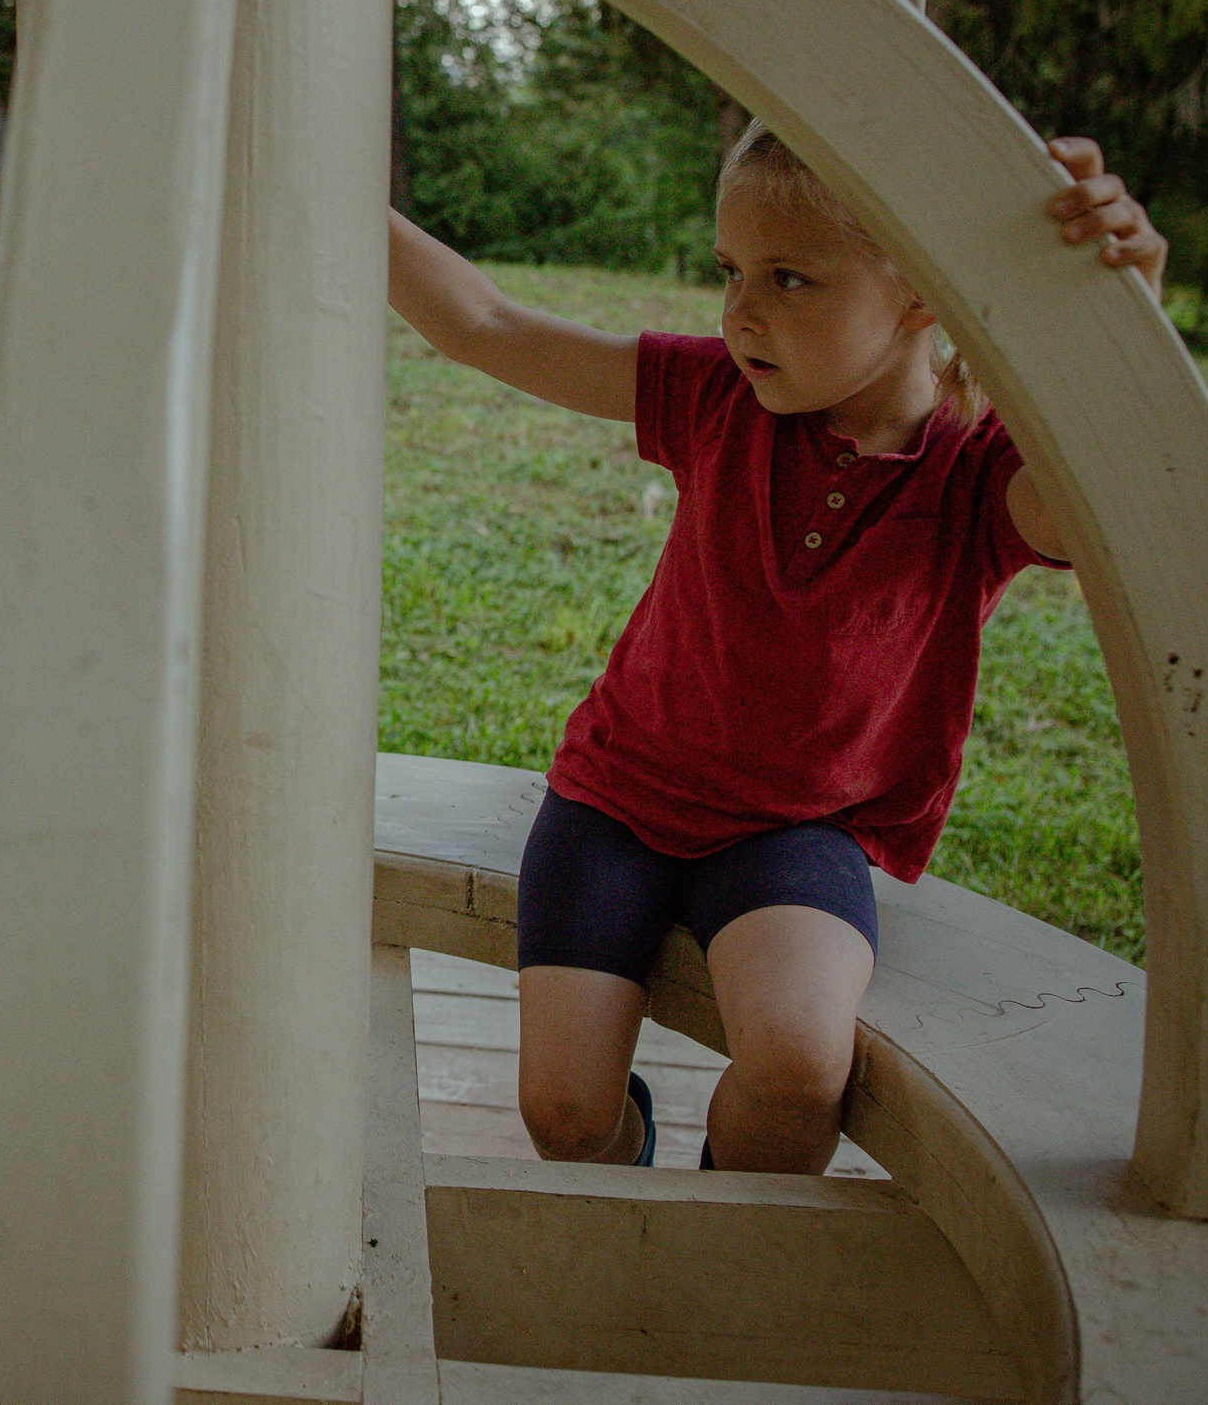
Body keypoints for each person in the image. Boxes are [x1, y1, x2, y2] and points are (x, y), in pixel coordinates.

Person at [387, 131, 1167, 1173]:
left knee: (801, 1067)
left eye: (788, 277)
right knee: (564, 1117)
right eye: (731, 273)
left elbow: (1095, 515)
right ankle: (630, 1218)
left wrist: (1121, 315)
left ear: (927, 295)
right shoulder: (717, 397)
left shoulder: (980, 472)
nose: (738, 311)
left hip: (797, 832)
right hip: (615, 802)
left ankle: (717, 1247)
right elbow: (487, 324)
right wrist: (340, 187)